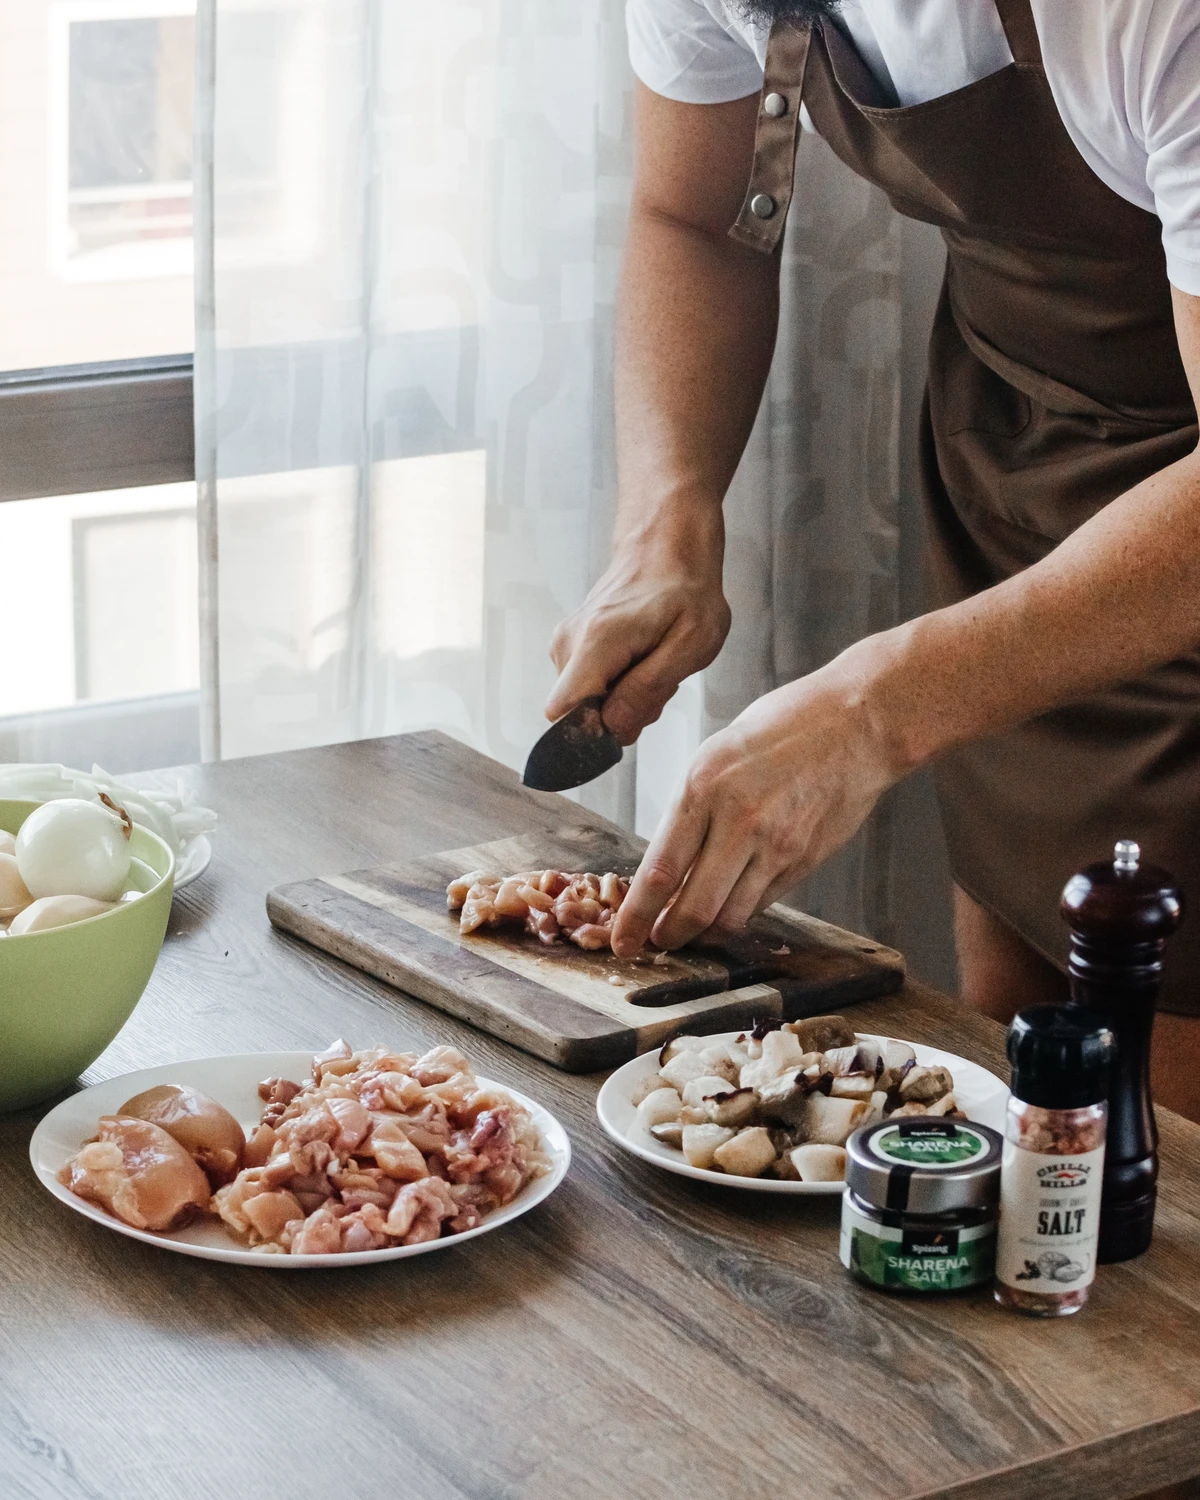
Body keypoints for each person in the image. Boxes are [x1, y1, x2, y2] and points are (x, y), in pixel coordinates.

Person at [544, 0, 1200, 1116]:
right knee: (1014, 1078)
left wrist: (872, 710)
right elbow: (691, 217)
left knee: (1156, 1148)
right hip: (1009, 467)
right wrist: (666, 522)